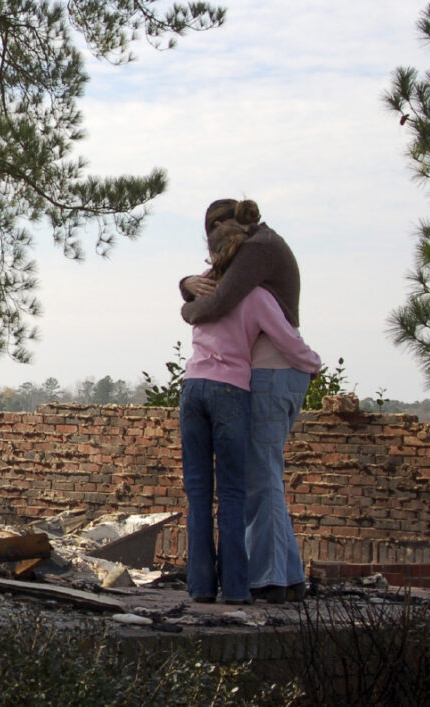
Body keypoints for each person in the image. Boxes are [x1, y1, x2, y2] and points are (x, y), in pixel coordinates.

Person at [178, 202, 321, 604]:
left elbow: (219, 304)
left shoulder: (255, 256)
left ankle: (260, 580)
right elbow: (217, 291)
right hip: (238, 383)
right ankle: (264, 580)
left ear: (224, 231)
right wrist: (187, 286)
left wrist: (187, 304)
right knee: (251, 482)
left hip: (241, 377)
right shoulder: (252, 275)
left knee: (235, 484)